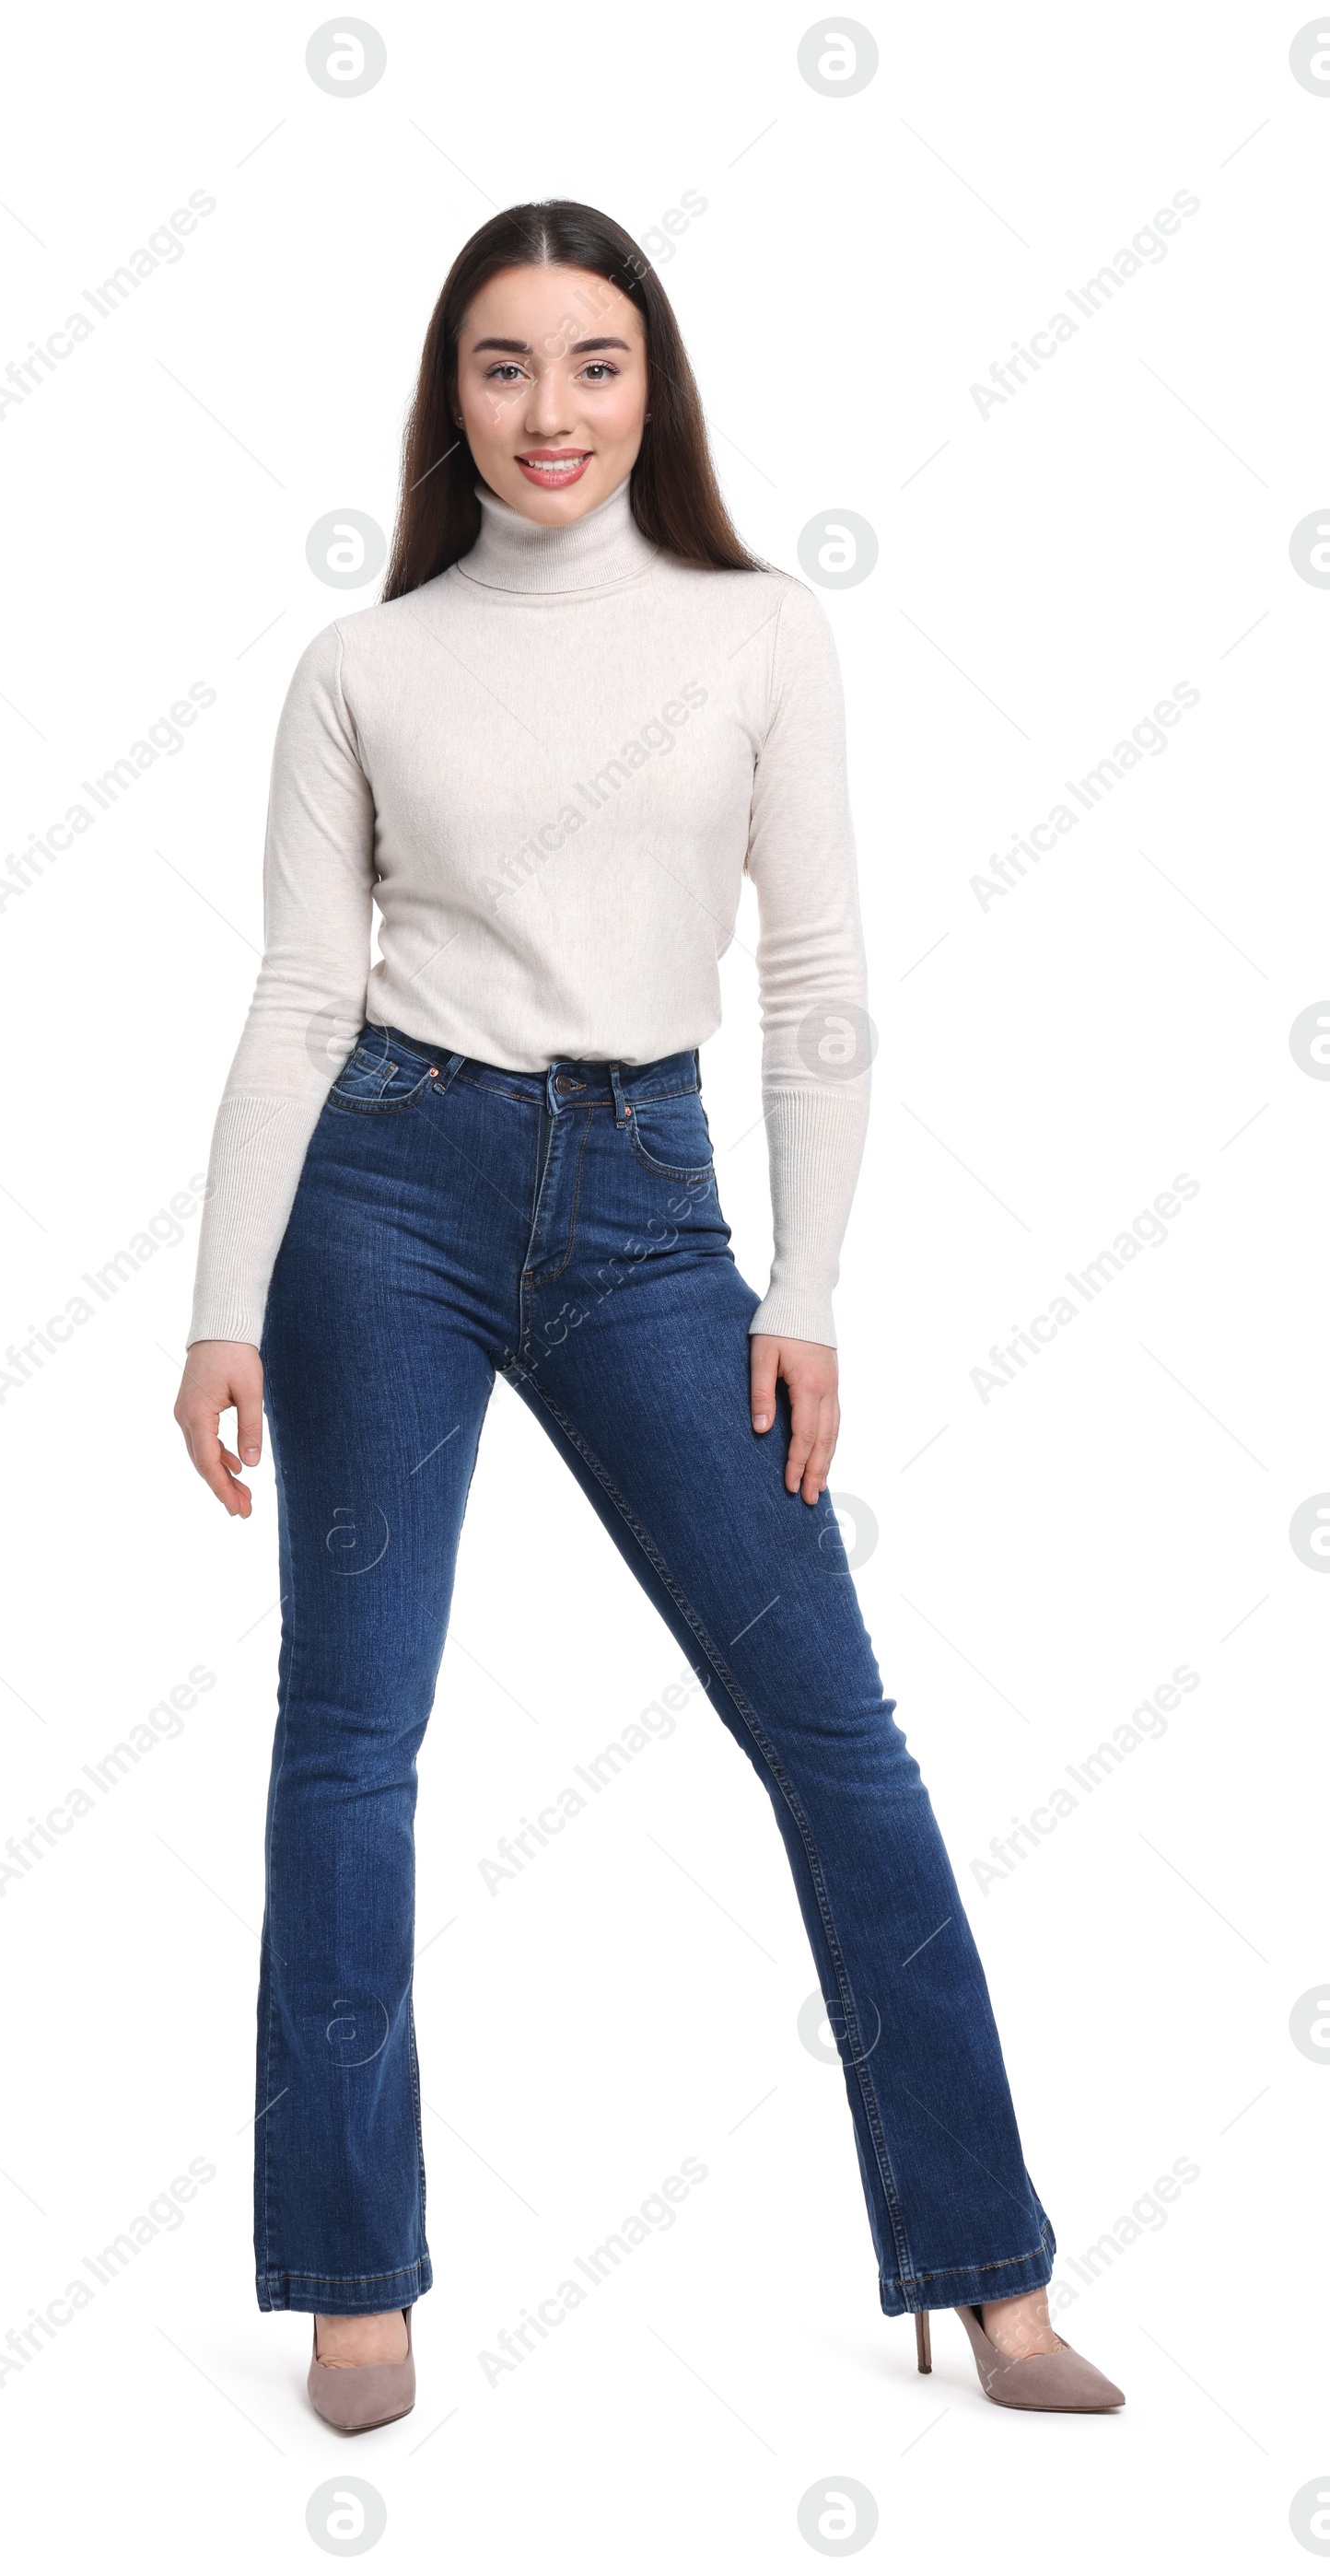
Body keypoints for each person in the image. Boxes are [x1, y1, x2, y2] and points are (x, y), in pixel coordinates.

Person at [174, 199, 1124, 2431]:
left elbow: (813, 982)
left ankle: (984, 2272)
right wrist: (222, 1306)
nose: (548, 411)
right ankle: (350, 2272)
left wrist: (804, 1287)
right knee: (351, 1739)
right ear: (452, 395)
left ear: (650, 385)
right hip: (381, 1191)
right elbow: (304, 990)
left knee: (835, 1738)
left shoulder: (757, 630)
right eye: (503, 366)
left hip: (645, 1200)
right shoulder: (362, 665)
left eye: (591, 364)